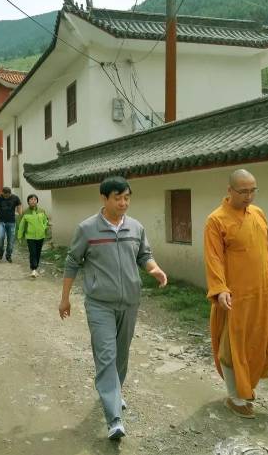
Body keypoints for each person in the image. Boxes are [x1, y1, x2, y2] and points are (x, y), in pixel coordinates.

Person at [58, 176, 167, 440]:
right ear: (104, 199)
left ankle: (113, 392)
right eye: (117, 198)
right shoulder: (87, 229)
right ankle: (114, 418)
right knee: (106, 356)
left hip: (130, 301)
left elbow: (144, 255)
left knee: (121, 355)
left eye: (127, 197)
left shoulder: (136, 228)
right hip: (99, 304)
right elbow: (72, 262)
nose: (123, 202)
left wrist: (155, 269)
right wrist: (65, 297)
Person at [204, 169, 268, 419]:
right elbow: (213, 259)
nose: (248, 196)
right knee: (233, 348)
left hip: (262, 293)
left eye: (253, 190)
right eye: (243, 191)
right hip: (234, 297)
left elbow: (266, 253)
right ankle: (236, 396)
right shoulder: (216, 220)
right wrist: (220, 290)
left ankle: (246, 387)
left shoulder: (259, 214)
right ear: (229, 191)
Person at [16, 194, 49, 278]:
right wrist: (19, 236)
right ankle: (33, 269)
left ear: (37, 201)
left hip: (41, 236)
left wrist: (44, 227)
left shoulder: (42, 211)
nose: (33, 201)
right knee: (32, 252)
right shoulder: (25, 212)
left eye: (35, 199)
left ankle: (35, 268)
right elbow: (22, 225)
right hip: (30, 237)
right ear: (28, 201)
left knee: (38, 252)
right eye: (31, 199)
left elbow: (46, 221)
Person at [0, 187, 22, 262]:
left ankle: (8, 255)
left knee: (11, 240)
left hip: (11, 222)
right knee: (0, 238)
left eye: (7, 195)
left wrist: (20, 214)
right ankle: (1, 251)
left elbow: (19, 205)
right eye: (4, 195)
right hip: (1, 222)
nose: (5, 197)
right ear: (2, 193)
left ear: (10, 193)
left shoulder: (15, 198)